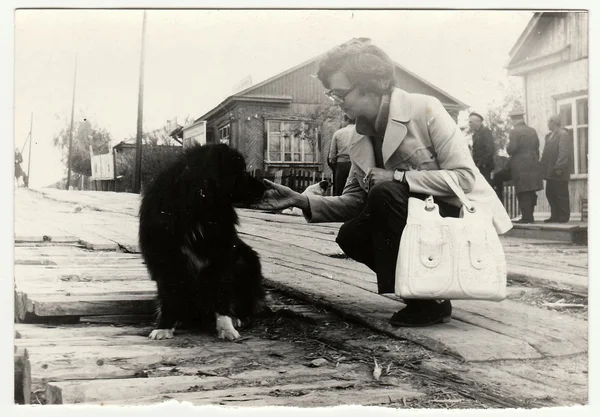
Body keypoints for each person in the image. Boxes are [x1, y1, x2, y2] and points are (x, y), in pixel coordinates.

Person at [253, 40, 511, 327]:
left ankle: (426, 296)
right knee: (351, 235)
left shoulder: (425, 109)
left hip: (451, 221)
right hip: (410, 222)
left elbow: (464, 178)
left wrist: (398, 177)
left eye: (340, 94)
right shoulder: (357, 137)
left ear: (374, 83)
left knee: (386, 191)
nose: (338, 103)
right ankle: (426, 298)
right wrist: (300, 200)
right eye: (332, 95)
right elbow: (354, 201)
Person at [506, 109, 544, 223]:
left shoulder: (514, 131)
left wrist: (507, 148)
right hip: (533, 163)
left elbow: (512, 149)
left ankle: (526, 217)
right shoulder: (532, 130)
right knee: (531, 190)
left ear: (514, 120)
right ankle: (530, 216)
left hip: (520, 165)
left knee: (522, 191)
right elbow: (537, 146)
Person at [540, 115, 573, 223]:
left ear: (554, 123)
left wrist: (559, 168)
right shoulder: (550, 136)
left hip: (559, 171)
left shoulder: (563, 134)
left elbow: (563, 153)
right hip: (550, 171)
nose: (547, 124)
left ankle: (563, 217)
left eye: (549, 122)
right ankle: (555, 216)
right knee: (550, 193)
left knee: (561, 194)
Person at [328, 115, 358, 196]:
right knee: (355, 190)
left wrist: (335, 166)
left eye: (342, 120)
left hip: (341, 165)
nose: (342, 123)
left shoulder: (338, 133)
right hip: (356, 165)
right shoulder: (359, 132)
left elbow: (332, 155)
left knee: (340, 190)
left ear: (346, 120)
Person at [468, 112, 495, 183]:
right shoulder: (475, 133)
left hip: (484, 167)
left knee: (485, 187)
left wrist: (482, 164)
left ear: (477, 122)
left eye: (471, 122)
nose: (469, 124)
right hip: (478, 166)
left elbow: (490, 150)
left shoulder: (485, 131)